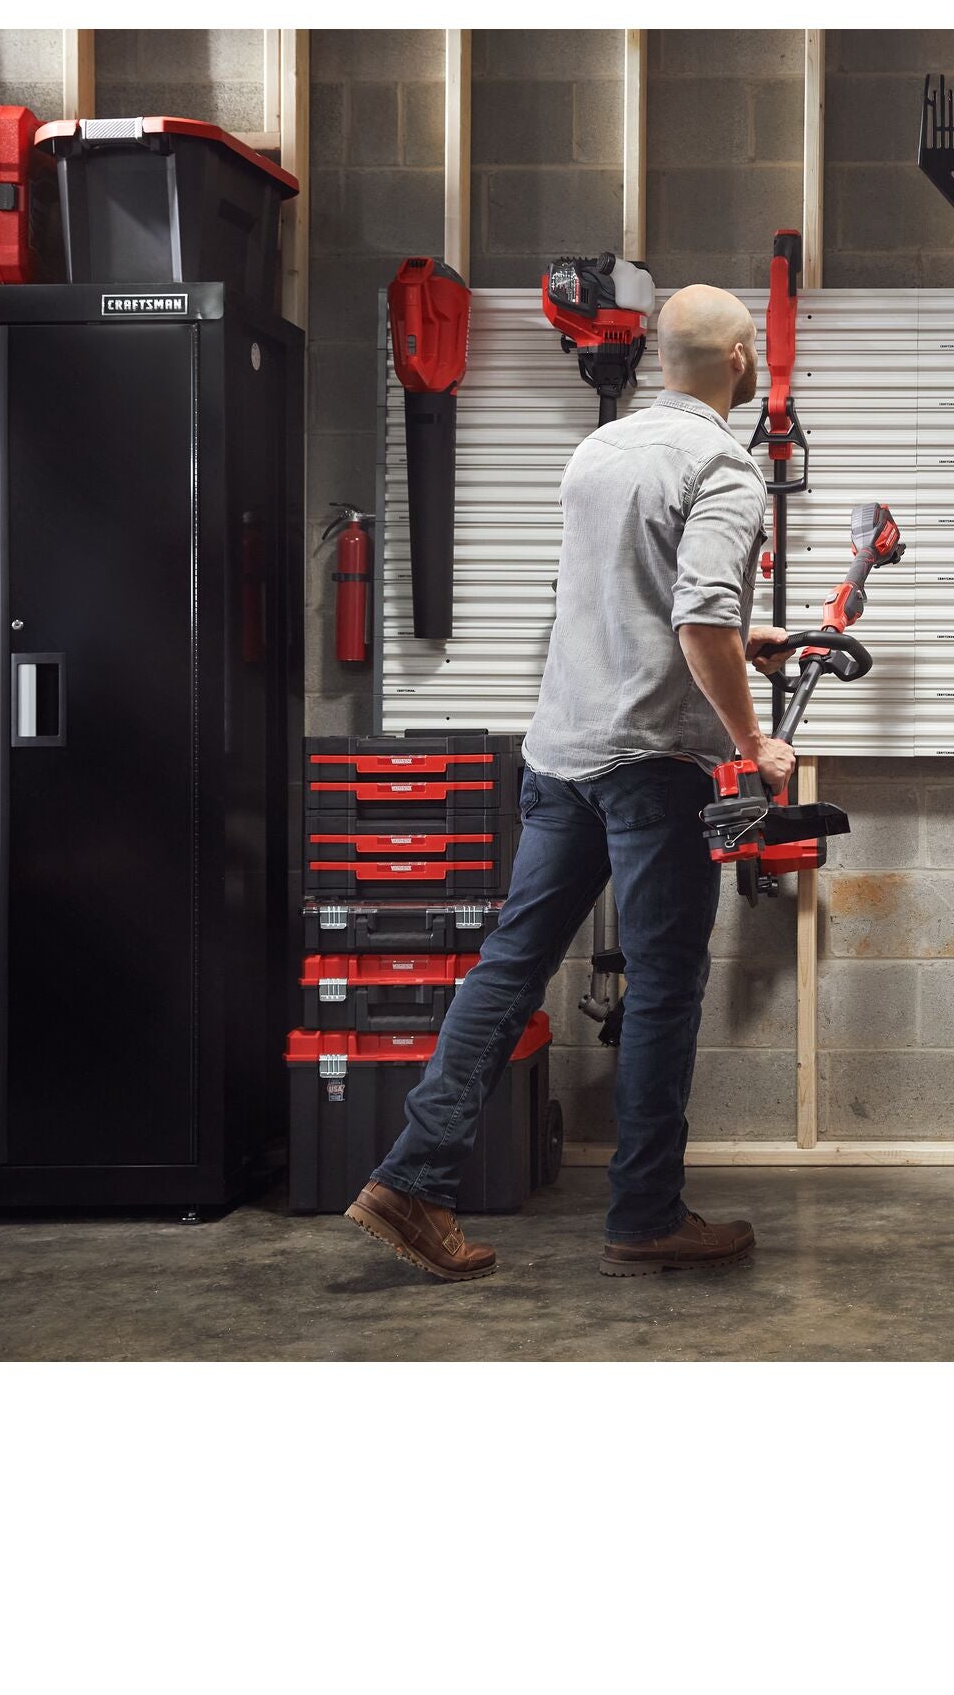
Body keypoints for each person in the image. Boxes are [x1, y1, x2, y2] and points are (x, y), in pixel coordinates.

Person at [345, 284, 797, 1282]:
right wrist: (751, 740)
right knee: (665, 985)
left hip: (559, 754)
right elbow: (697, 621)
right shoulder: (721, 463)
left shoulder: (598, 451)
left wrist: (734, 639)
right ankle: (644, 1213)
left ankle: (411, 1181)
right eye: (751, 348)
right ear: (731, 358)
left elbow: (627, 598)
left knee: (507, 967)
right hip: (647, 768)